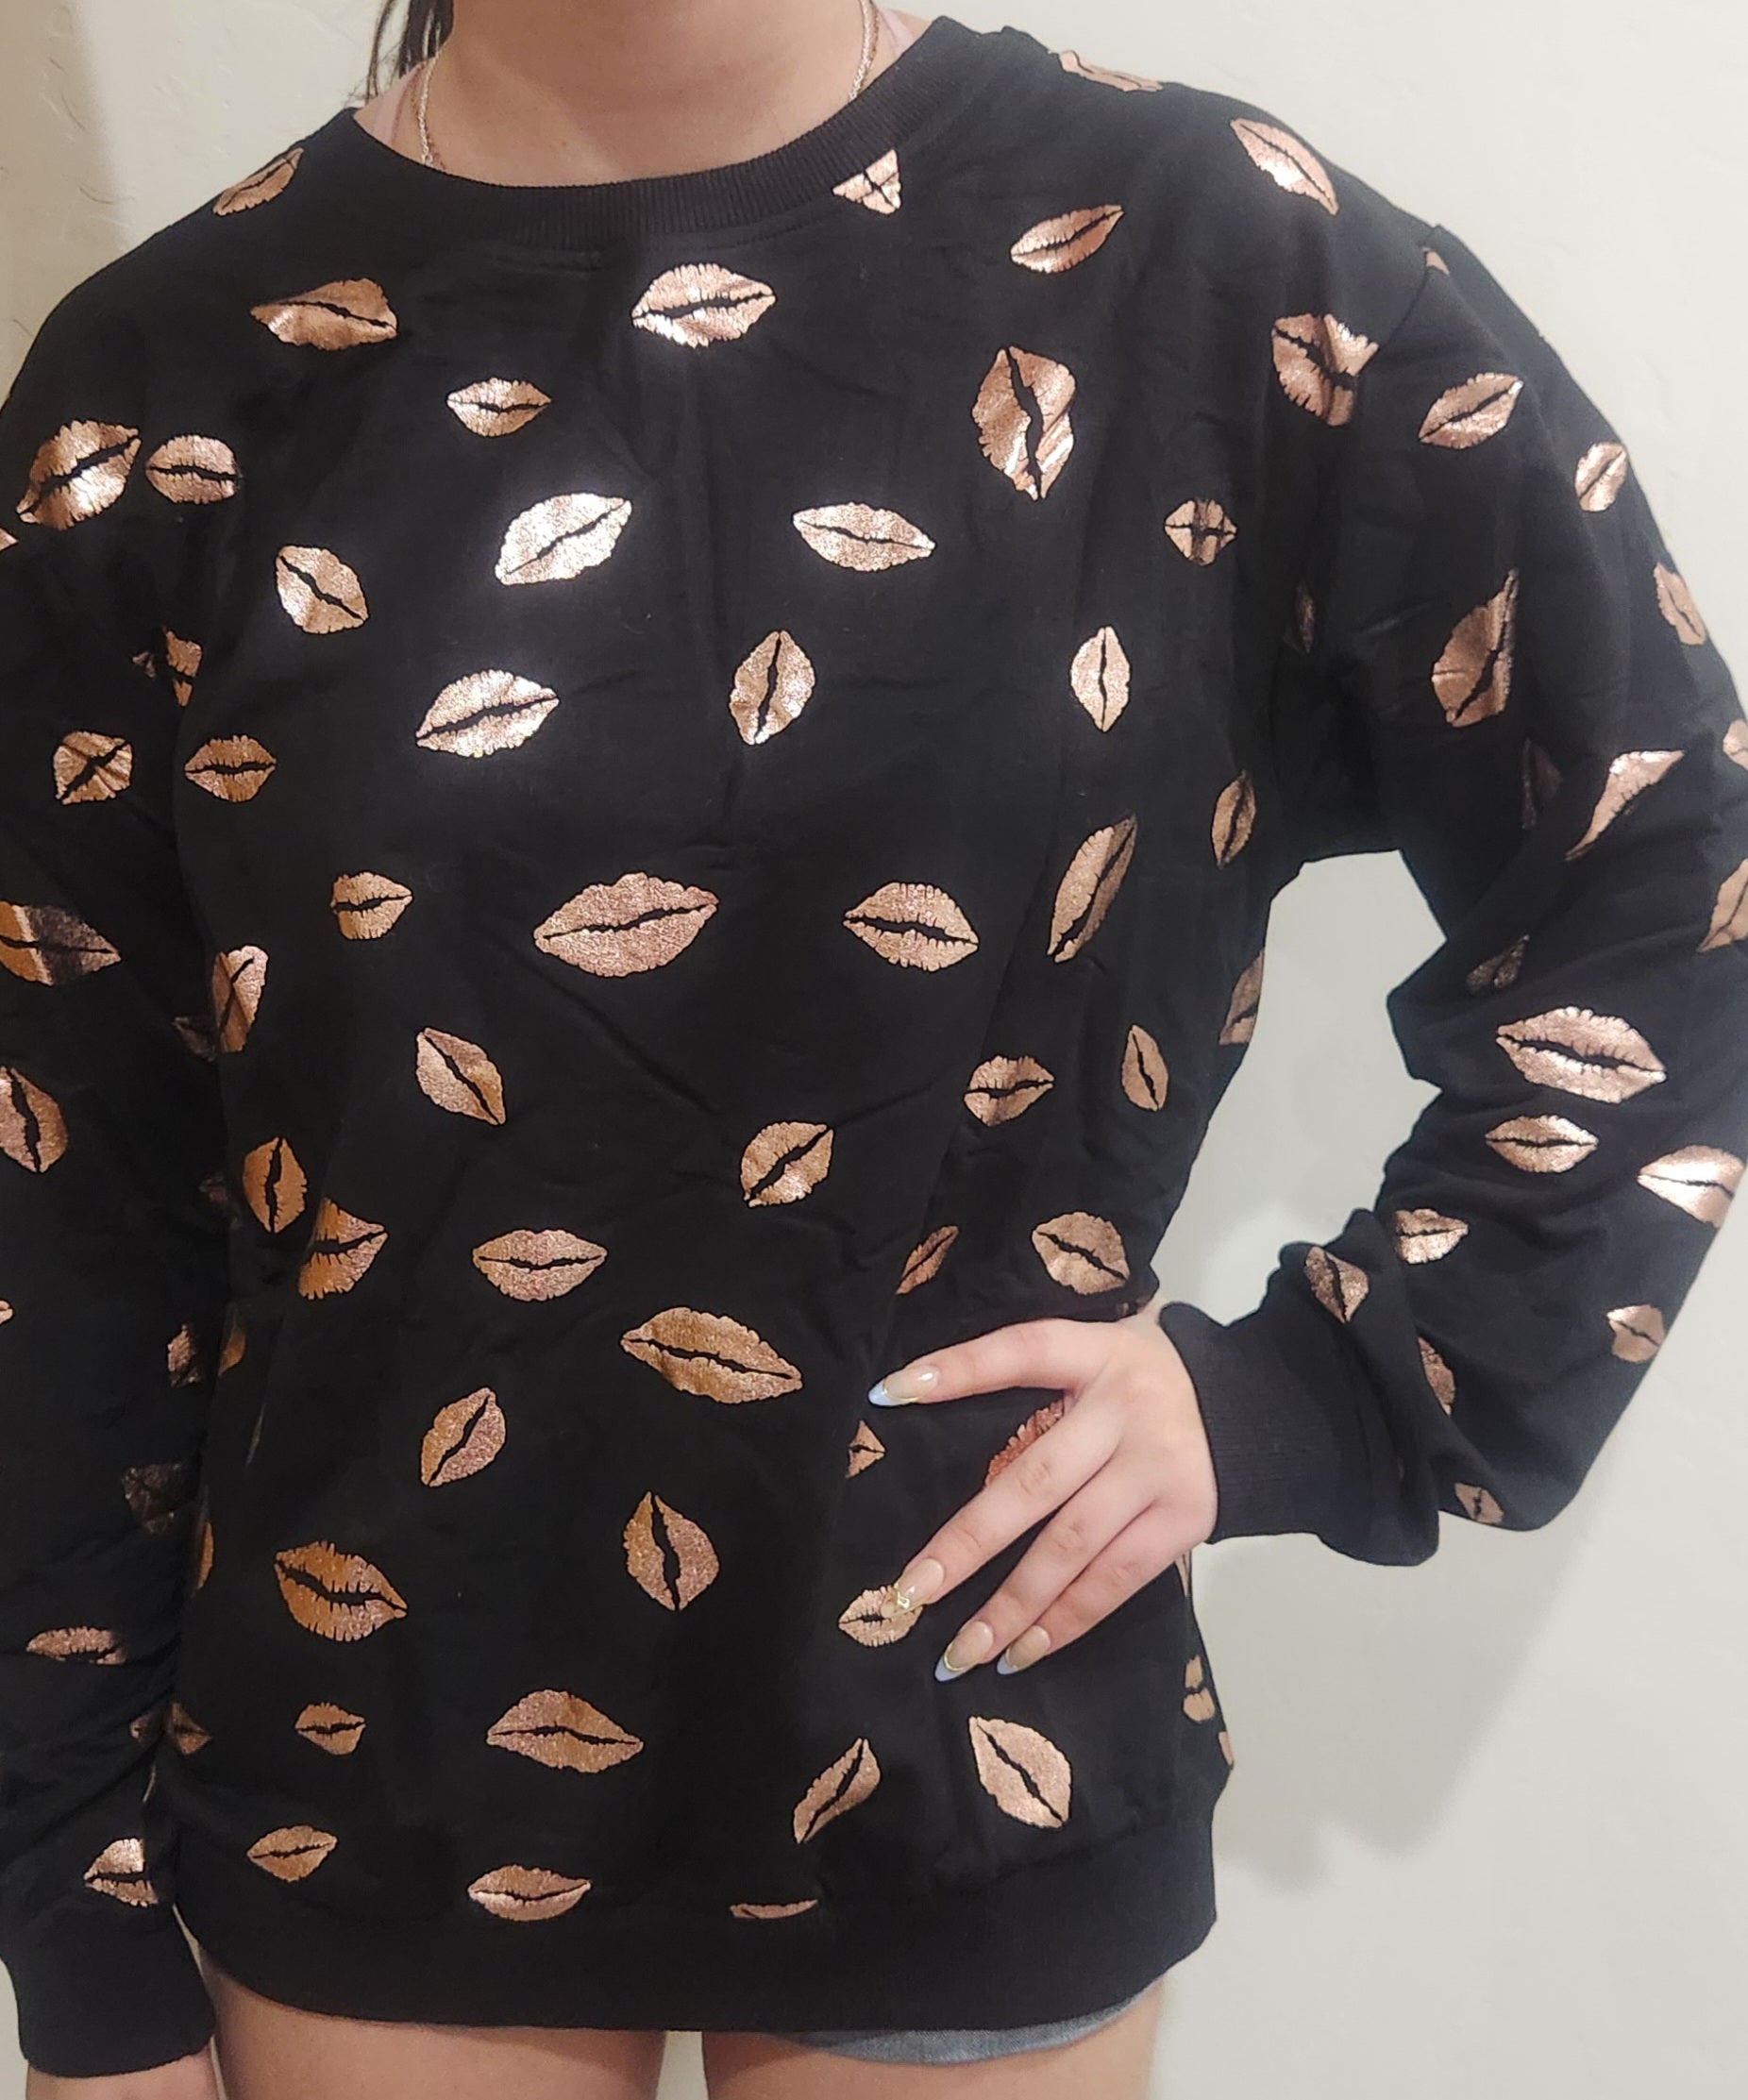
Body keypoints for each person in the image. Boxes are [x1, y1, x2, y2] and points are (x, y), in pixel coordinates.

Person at [3, 2, 1745, 2094]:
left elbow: (1669, 858)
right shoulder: (165, 379)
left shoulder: (1209, 260)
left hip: (969, 1707)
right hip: (372, 1747)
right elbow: (64, 1205)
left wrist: (1331, 1384)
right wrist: (75, 1925)